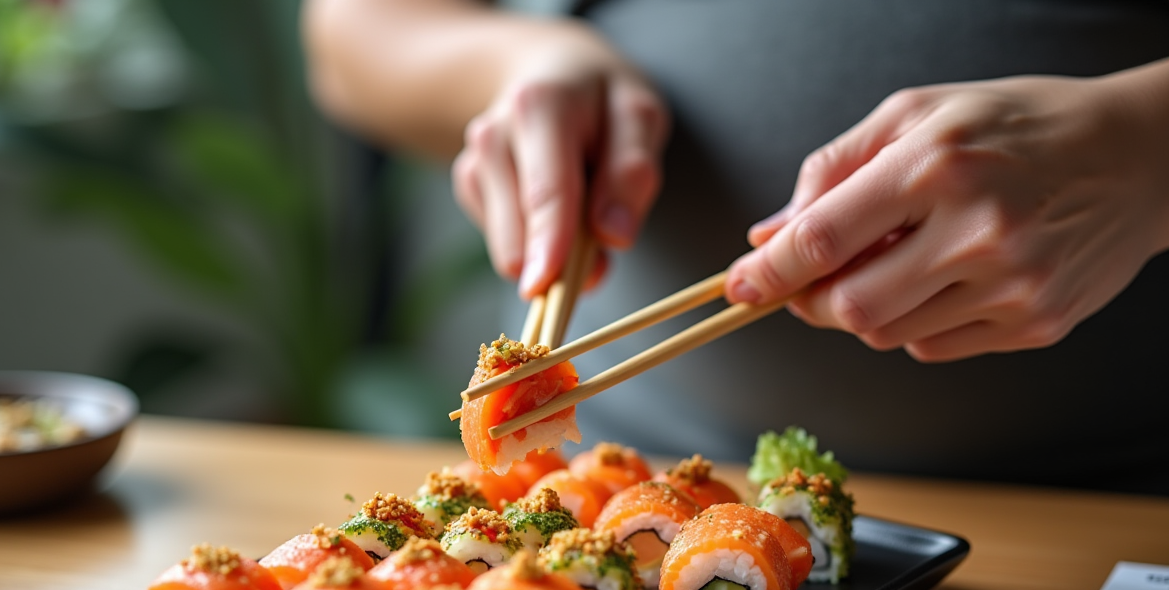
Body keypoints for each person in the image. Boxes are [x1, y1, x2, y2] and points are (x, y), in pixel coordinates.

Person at [302, 0, 1169, 495]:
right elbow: (354, 33)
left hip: (1109, 510)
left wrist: (1142, 148)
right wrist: (515, 64)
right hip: (604, 479)